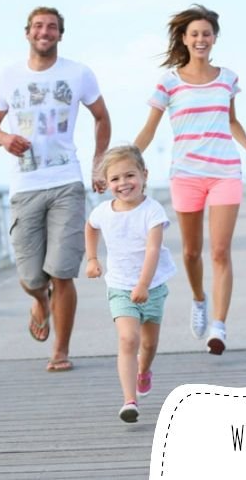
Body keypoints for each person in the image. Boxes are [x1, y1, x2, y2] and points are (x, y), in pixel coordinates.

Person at [0, 6, 111, 372]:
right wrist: (5, 138)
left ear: (60, 35)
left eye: (52, 27)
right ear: (27, 33)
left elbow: (101, 117)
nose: (45, 32)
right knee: (31, 278)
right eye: (38, 26)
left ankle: (60, 351)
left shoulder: (78, 73)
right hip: (25, 186)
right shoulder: (8, 76)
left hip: (66, 183)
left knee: (62, 272)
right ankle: (40, 301)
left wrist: (98, 164)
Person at [134, 4, 246, 355]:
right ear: (184, 38)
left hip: (225, 172)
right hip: (187, 174)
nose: (201, 39)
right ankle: (199, 298)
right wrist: (125, 159)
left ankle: (219, 326)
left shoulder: (227, 78)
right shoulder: (169, 82)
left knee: (220, 251)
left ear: (214, 38)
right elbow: (149, 129)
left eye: (207, 33)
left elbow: (231, 120)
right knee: (192, 252)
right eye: (194, 34)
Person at [85, 145, 176, 422]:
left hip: (152, 287)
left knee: (148, 345)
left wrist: (144, 285)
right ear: (106, 183)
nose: (123, 183)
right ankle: (129, 400)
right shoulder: (103, 211)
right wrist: (92, 258)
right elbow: (91, 226)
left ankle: (144, 371)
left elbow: (152, 250)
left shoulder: (153, 211)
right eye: (115, 179)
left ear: (144, 175)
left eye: (129, 175)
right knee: (128, 339)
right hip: (120, 286)